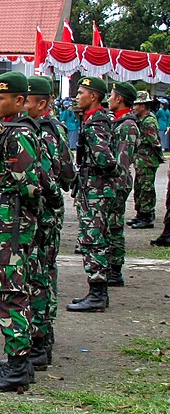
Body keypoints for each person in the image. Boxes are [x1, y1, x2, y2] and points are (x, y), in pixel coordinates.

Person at [0, 71, 51, 392]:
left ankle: (19, 363)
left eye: (0, 98)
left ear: (19, 101)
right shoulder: (12, 130)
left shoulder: (18, 134)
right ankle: (17, 358)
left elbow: (31, 186)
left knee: (9, 291)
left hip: (12, 222)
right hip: (7, 218)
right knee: (10, 288)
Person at [24, 76, 74, 370]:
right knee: (43, 273)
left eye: (26, 100)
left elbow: (44, 179)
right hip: (49, 213)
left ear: (41, 103)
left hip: (41, 213)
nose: (22, 105)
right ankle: (42, 337)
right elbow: (68, 174)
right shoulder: (57, 128)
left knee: (37, 276)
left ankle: (39, 341)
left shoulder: (42, 132)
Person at [67, 76, 117, 313]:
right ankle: (98, 292)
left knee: (93, 239)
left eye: (81, 93)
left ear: (93, 96)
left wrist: (91, 171)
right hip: (96, 187)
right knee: (96, 238)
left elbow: (105, 159)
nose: (78, 97)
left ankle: (97, 293)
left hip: (95, 188)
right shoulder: (94, 119)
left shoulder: (96, 123)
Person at [102, 82, 139, 288]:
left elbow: (122, 160)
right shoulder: (118, 122)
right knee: (109, 226)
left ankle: (115, 270)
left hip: (118, 182)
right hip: (113, 182)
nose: (109, 98)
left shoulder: (127, 126)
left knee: (114, 227)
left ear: (120, 99)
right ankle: (110, 266)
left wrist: (115, 185)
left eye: (112, 95)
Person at [129, 91, 162, 230]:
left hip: (147, 160)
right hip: (142, 159)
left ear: (143, 106)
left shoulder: (149, 121)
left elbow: (153, 141)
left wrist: (138, 141)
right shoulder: (142, 119)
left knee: (146, 188)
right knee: (139, 187)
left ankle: (147, 216)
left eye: (136, 105)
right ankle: (141, 213)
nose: (134, 108)